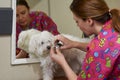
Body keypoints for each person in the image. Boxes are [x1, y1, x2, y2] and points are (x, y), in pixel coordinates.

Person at [50, 0, 120, 80]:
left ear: (89, 21)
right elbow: (106, 47)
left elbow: (100, 49)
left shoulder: (98, 49)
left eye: (77, 21)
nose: (77, 25)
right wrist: (74, 44)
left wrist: (62, 62)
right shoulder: (112, 27)